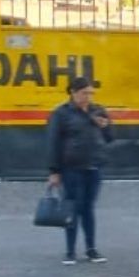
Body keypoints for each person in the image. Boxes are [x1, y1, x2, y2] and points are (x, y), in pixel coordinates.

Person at [46, 77, 113, 265]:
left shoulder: (98, 110)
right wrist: (54, 171)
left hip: (94, 166)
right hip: (71, 168)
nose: (88, 97)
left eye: (91, 93)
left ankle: (91, 249)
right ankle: (70, 251)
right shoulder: (61, 114)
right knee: (72, 208)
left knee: (88, 208)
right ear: (73, 92)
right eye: (85, 93)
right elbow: (53, 143)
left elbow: (109, 137)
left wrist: (105, 127)